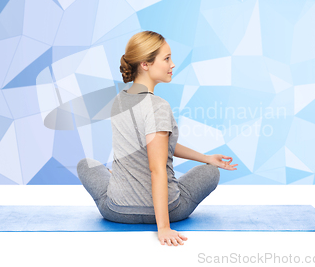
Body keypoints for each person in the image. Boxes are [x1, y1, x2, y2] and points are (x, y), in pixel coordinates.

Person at [77, 31, 238, 246]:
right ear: (145, 64)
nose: (172, 64)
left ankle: (117, 176)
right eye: (166, 58)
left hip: (117, 210)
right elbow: (157, 168)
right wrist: (163, 227)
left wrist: (206, 156)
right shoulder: (159, 107)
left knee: (85, 165)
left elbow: (160, 146)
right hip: (171, 211)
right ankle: (140, 193)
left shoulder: (119, 101)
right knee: (210, 173)